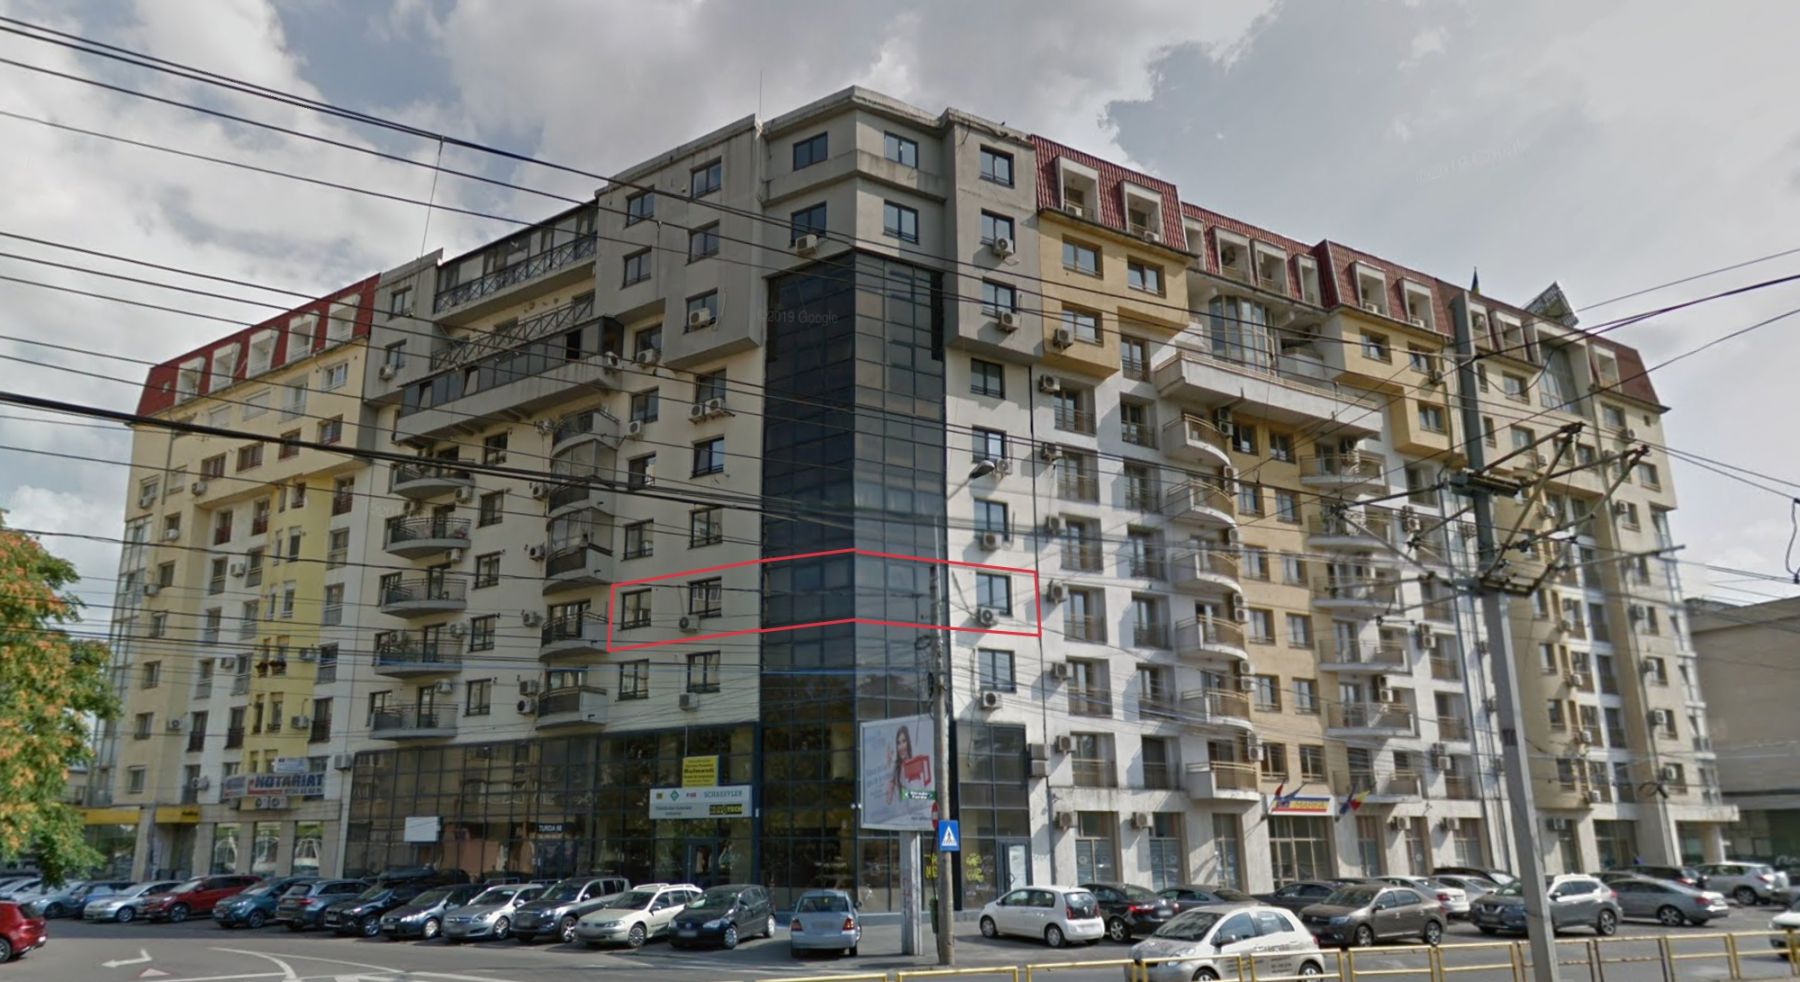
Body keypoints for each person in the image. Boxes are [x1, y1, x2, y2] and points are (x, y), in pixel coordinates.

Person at [888, 725, 931, 806]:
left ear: (908, 742)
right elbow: (889, 802)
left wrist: (907, 794)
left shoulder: (917, 763)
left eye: (904, 741)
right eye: (898, 743)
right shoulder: (895, 768)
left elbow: (928, 796)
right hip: (902, 811)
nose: (901, 747)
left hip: (920, 811)